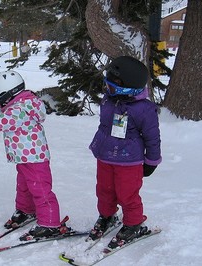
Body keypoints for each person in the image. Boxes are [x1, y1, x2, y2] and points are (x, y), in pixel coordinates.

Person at [0, 70, 63, 238]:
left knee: (40, 189)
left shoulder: (21, 109)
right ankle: (26, 210)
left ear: (7, 93)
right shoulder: (18, 103)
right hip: (24, 157)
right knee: (24, 186)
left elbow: (1, 121)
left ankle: (50, 223)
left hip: (35, 159)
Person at [88, 56, 162, 248]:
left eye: (112, 87)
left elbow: (152, 138)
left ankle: (134, 223)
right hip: (105, 156)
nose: (107, 90)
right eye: (107, 85)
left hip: (129, 161)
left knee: (127, 194)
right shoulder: (110, 100)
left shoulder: (144, 109)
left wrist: (152, 161)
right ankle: (107, 216)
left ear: (128, 89)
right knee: (104, 190)